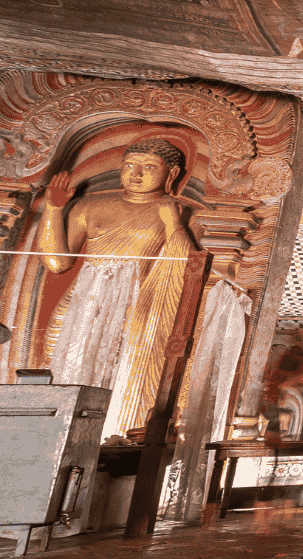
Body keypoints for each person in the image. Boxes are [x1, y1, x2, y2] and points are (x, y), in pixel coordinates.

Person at [36, 137, 200, 436]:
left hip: (139, 306)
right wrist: (53, 209)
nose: (136, 174)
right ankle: (57, 433)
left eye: (148, 167)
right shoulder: (90, 205)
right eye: (129, 165)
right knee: (67, 366)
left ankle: (116, 433)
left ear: (172, 174)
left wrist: (173, 225)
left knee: (128, 370)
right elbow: (57, 263)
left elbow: (190, 271)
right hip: (84, 303)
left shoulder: (180, 212)